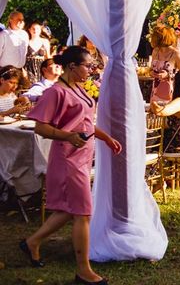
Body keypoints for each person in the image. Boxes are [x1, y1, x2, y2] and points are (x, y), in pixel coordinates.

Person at [21, 46, 122, 284]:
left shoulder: (78, 88)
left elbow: (84, 123)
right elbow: (40, 127)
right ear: (72, 66)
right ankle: (83, 270)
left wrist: (106, 138)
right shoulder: (55, 92)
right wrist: (67, 137)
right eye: (88, 65)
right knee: (83, 213)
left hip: (83, 156)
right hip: (68, 159)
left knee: (68, 209)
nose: (91, 69)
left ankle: (32, 242)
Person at [149, 25, 180, 103]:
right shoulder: (155, 51)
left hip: (171, 91)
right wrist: (151, 72)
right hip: (156, 89)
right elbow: (151, 69)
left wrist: (168, 75)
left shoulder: (176, 54)